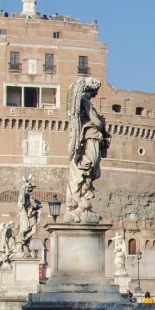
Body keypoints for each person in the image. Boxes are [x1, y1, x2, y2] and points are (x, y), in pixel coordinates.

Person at [66, 76, 110, 223]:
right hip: (90, 139)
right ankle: (78, 205)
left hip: (93, 139)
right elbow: (96, 122)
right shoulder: (84, 101)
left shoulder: (85, 101)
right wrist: (102, 125)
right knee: (87, 166)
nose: (97, 93)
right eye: (96, 90)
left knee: (90, 170)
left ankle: (81, 204)